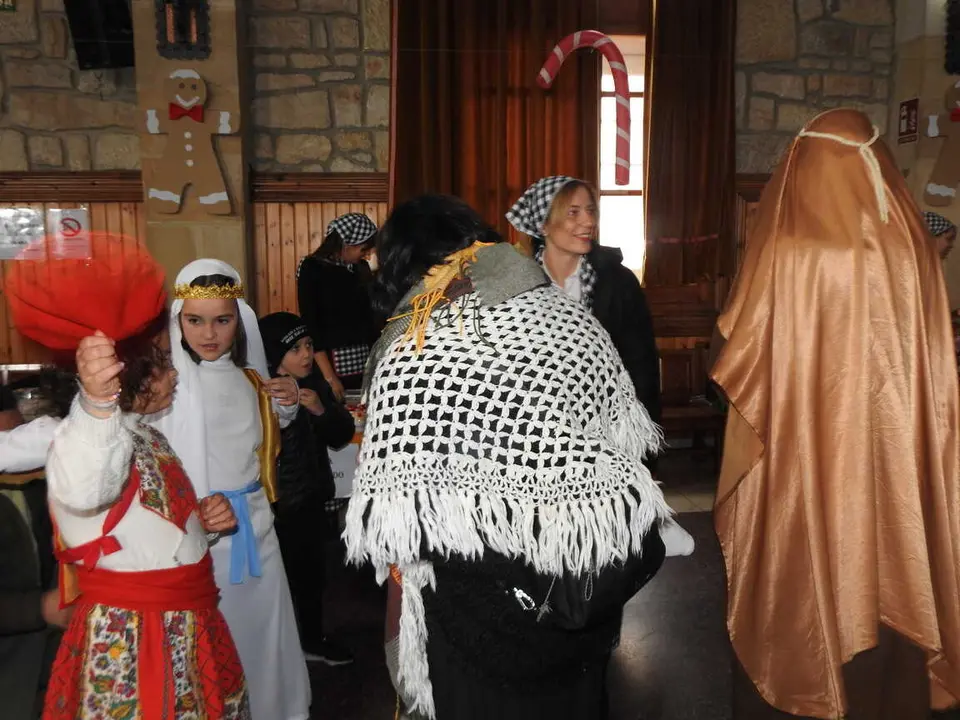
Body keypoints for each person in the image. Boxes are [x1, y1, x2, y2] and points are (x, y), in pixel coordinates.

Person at [345, 195, 671, 720]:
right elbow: (624, 444)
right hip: (580, 590)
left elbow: (402, 513)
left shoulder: (417, 342)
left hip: (478, 617)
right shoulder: (572, 320)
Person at [711, 108, 960, 719]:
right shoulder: (912, 247)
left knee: (805, 553)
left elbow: (739, 358)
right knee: (897, 561)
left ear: (804, 162)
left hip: (806, 457)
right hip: (897, 455)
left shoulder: (789, 248)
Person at [4, 234, 250, 718]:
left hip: (183, 624)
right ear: (133, 373)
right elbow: (87, 487)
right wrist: (97, 403)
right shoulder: (83, 435)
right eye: (163, 362)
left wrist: (201, 524)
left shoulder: (145, 435)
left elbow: (139, 525)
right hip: (135, 637)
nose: (175, 374)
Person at [146, 260, 311, 720]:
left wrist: (290, 403)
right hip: (198, 534)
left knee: (264, 630)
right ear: (178, 320)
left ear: (240, 321)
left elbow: (262, 437)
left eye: (222, 319)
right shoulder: (166, 387)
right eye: (194, 320)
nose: (209, 333)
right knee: (212, 637)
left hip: (257, 527)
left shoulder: (252, 381)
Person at [507, 177, 662, 430]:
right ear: (543, 224)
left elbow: (641, 365)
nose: (589, 222)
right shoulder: (517, 284)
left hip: (607, 425)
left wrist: (644, 439)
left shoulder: (618, 282)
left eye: (590, 211)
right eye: (573, 213)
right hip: (536, 430)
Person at [258, 311, 356, 666]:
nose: (304, 354)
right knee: (286, 580)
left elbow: (342, 433)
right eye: (294, 348)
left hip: (311, 498)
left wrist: (319, 409)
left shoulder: (313, 383)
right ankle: (285, 646)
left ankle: (312, 640)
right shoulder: (261, 390)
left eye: (308, 345)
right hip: (281, 506)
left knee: (313, 577)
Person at [296, 212, 380, 399]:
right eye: (364, 250)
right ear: (346, 244)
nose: (367, 256)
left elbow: (370, 319)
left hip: (364, 362)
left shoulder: (360, 269)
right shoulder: (312, 268)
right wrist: (329, 377)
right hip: (330, 364)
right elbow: (311, 323)